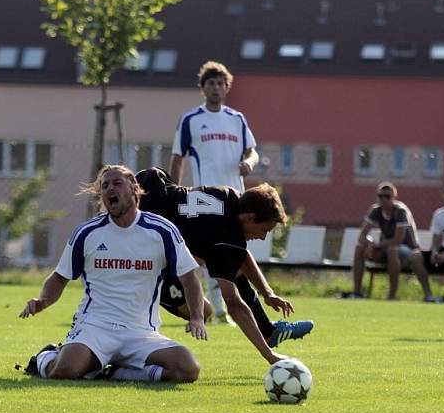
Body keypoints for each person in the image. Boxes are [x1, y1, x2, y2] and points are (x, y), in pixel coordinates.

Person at [19, 165, 208, 382]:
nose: (110, 189)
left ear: (134, 189)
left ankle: (116, 372)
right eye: (104, 185)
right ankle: (44, 357)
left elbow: (189, 276)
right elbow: (60, 276)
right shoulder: (87, 232)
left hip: (141, 332)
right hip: (95, 327)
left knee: (188, 369)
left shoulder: (162, 230)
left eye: (117, 183)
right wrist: (43, 301)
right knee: (65, 371)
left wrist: (196, 317)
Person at [136, 166, 313, 365]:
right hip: (145, 250)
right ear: (250, 218)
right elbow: (234, 305)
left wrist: (267, 292)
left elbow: (240, 255)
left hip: (154, 188)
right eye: (264, 230)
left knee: (225, 273)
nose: (263, 237)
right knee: (204, 312)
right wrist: (270, 357)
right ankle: (132, 349)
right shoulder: (226, 236)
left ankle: (268, 331)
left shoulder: (232, 197)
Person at [169, 60, 260, 325]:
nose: (216, 88)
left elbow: (252, 150)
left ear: (227, 87)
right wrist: (174, 193)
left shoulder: (237, 119)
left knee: (235, 252)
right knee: (209, 253)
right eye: (211, 83)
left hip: (236, 197)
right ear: (203, 88)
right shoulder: (191, 120)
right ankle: (218, 310)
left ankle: (237, 307)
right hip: (205, 197)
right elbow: (178, 157)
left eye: (221, 83)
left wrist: (249, 163)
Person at [350, 181, 436, 301]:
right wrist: (370, 244)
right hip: (386, 249)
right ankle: (357, 293)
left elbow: (398, 239)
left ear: (394, 198)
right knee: (359, 248)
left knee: (392, 250)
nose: (384, 199)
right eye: (380, 196)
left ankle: (391, 295)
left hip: (408, 251)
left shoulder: (400, 211)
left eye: (387, 196)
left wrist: (376, 245)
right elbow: (362, 236)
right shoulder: (375, 211)